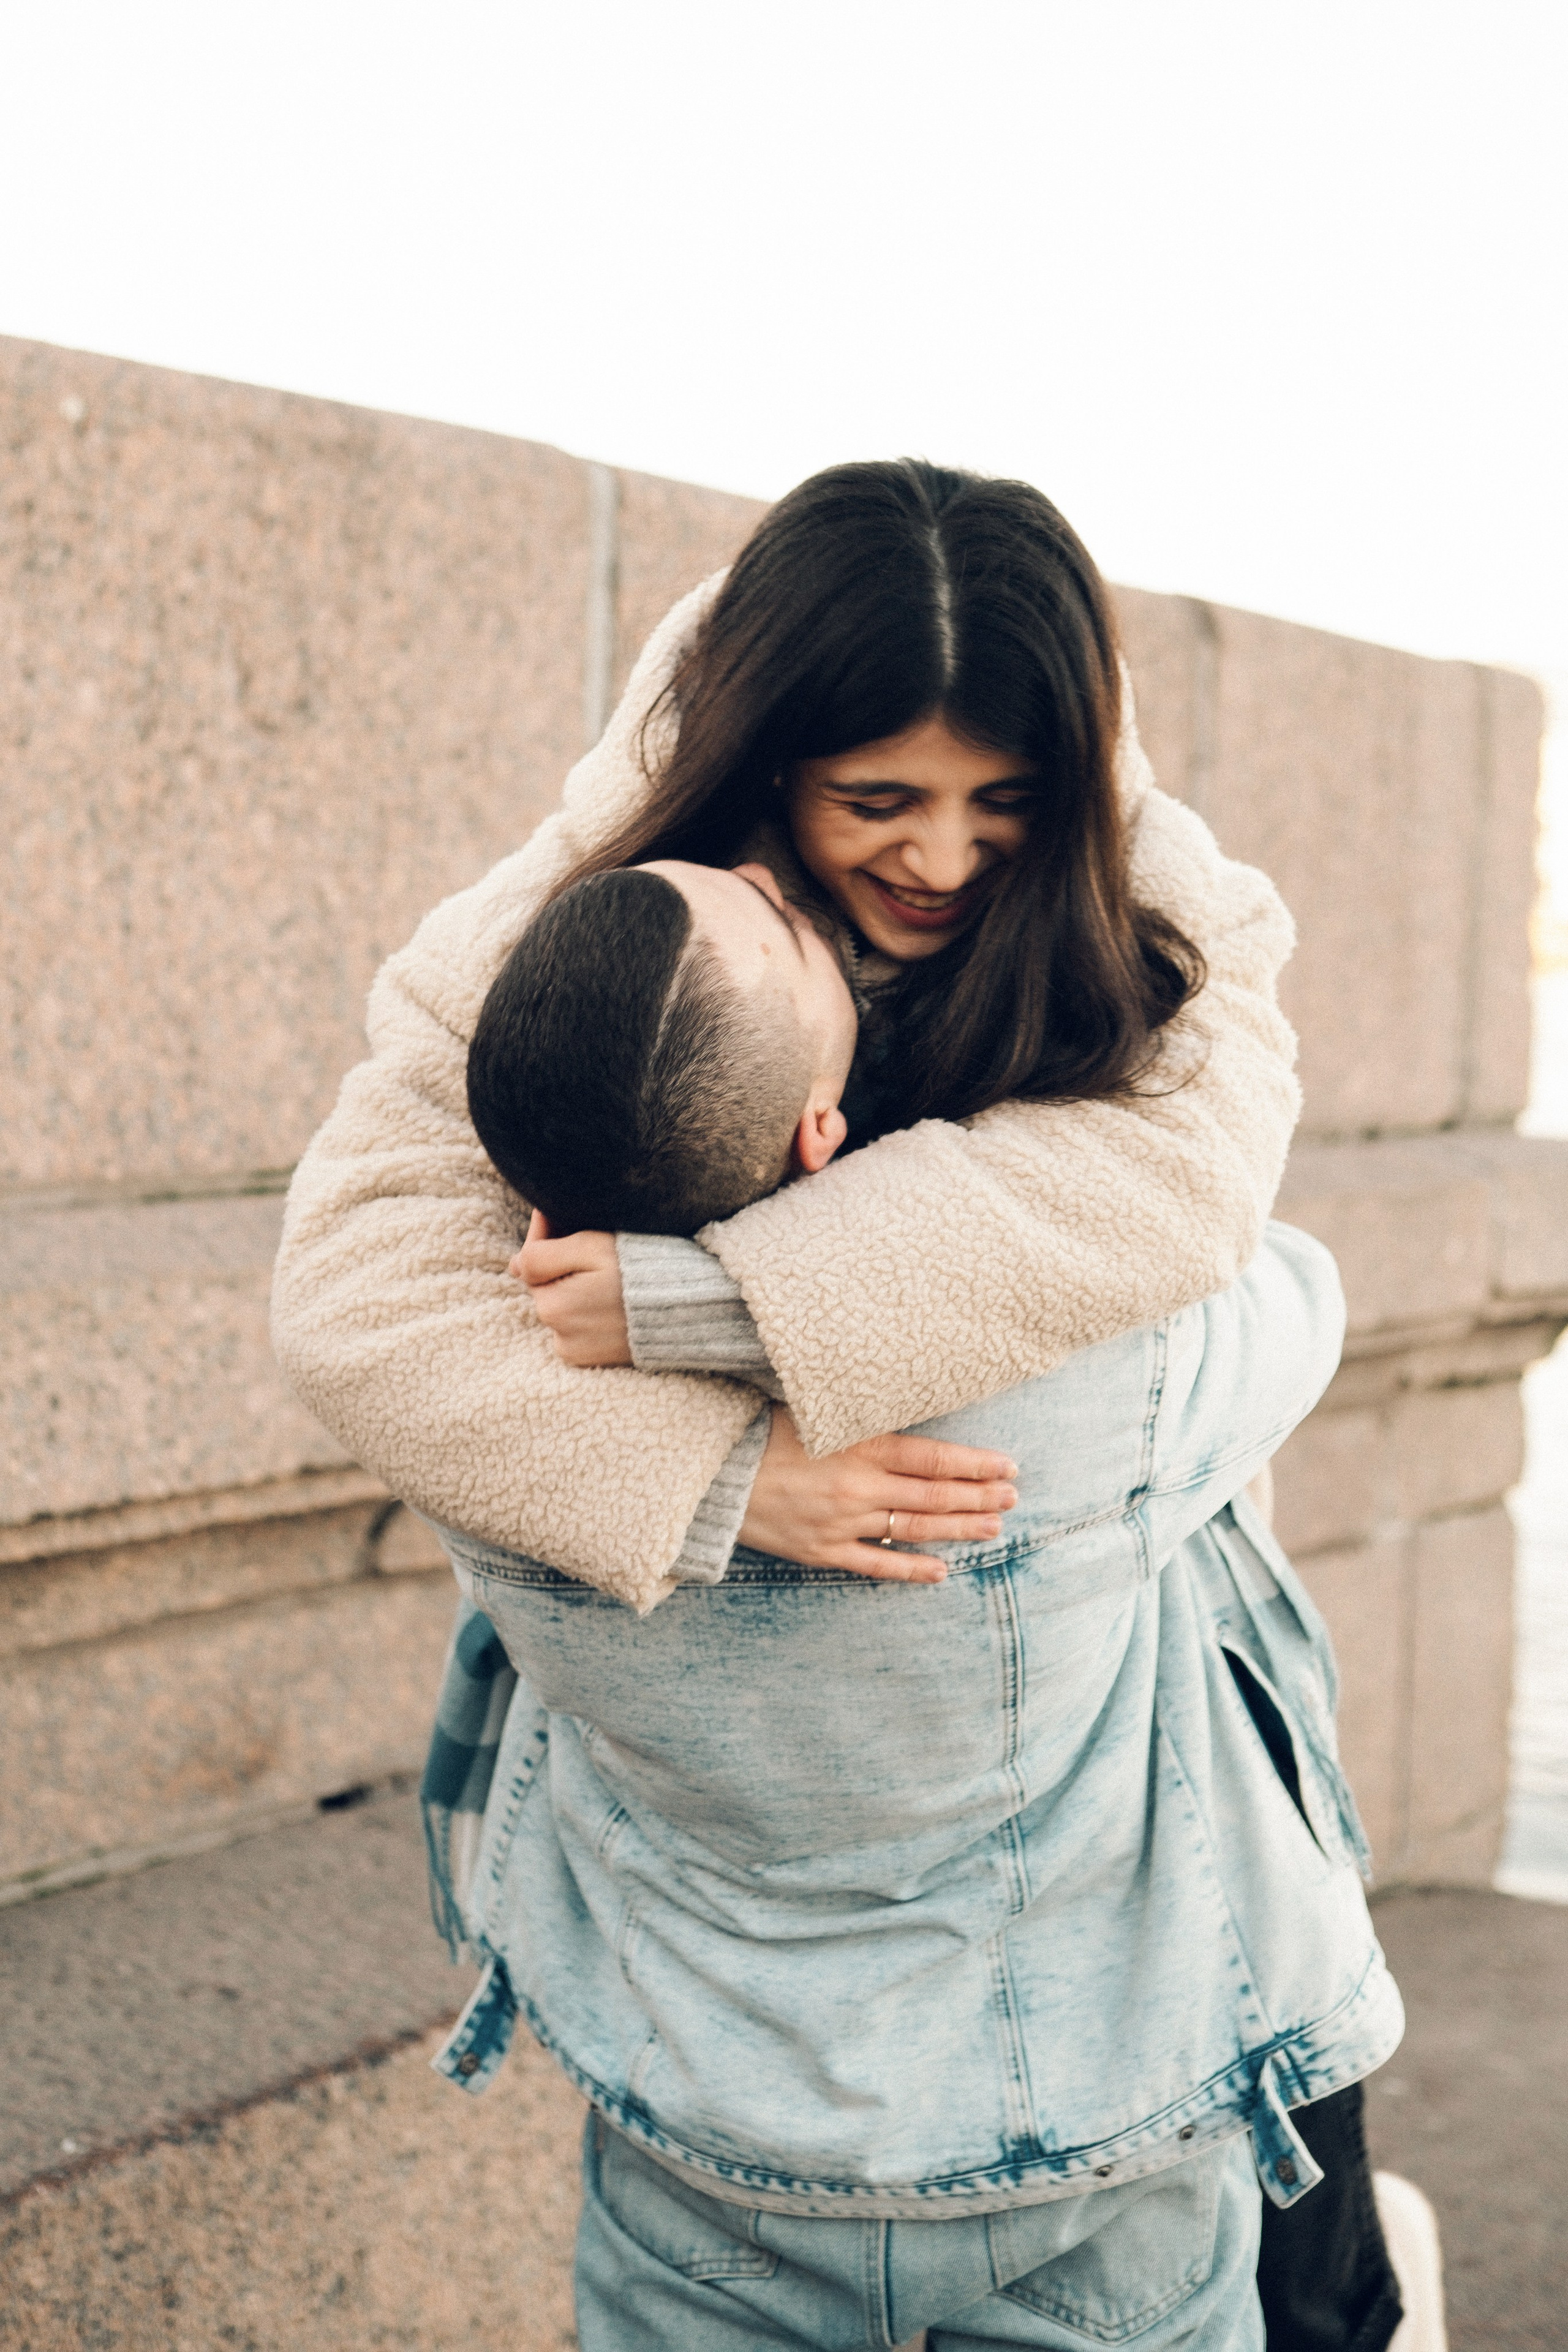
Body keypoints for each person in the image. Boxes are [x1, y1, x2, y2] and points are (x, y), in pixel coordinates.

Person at [271, 461, 1404, 2346]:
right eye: (877, 801)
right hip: (1093, 2026)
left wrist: (691, 1304)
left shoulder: (1133, 902)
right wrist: (724, 1474)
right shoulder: (593, 919)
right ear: (760, 760)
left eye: (1004, 805)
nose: (944, 861)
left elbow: (1195, 1182)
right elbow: (356, 1289)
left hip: (766, 2046)